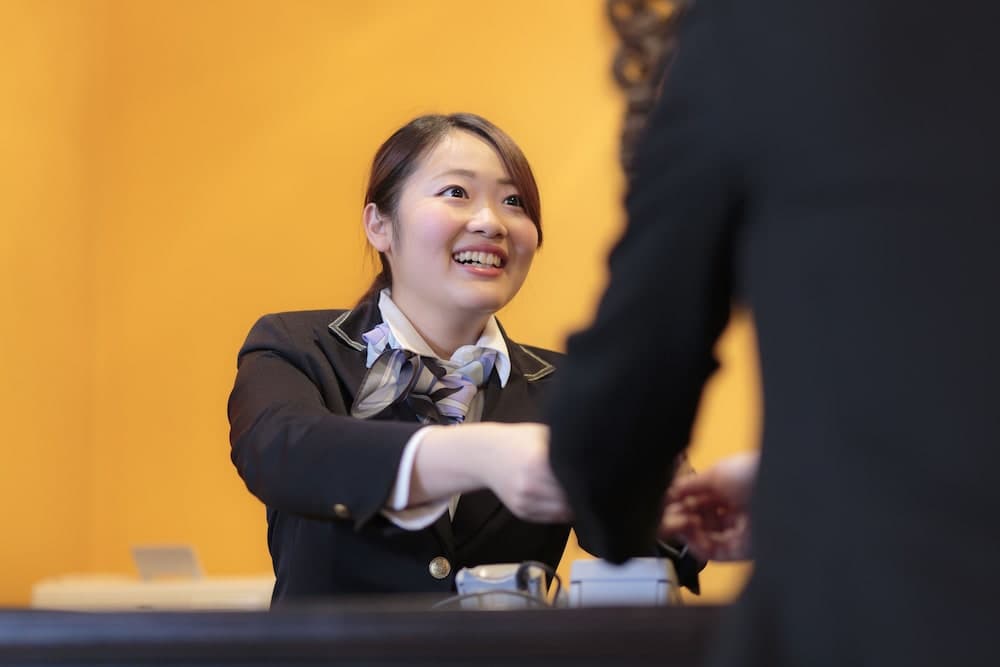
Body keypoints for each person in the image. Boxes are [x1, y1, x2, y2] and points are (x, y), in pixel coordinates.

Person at [545, 1, 1000, 665]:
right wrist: (800, 477)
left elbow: (617, 416)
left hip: (894, 617)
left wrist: (616, 509)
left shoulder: (764, 34)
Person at [227, 112, 702, 604]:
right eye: (456, 192)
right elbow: (282, 452)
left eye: (514, 202)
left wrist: (666, 501)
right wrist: (482, 454)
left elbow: (650, 549)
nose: (491, 222)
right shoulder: (297, 345)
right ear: (379, 224)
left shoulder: (567, 387)